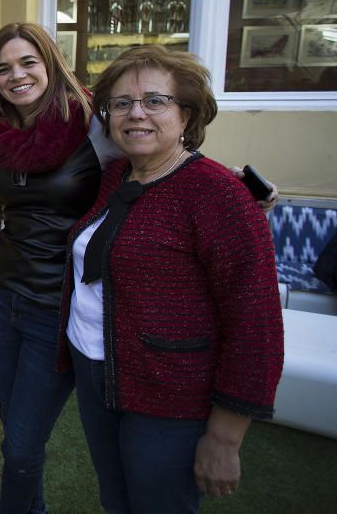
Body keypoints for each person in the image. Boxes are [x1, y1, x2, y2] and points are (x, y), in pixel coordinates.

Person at [60, 45, 284, 513]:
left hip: (168, 394)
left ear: (187, 114)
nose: (135, 113)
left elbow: (255, 326)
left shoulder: (220, 197)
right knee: (116, 500)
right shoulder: (117, 175)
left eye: (155, 101)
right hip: (97, 374)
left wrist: (225, 437)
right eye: (121, 103)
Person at [0, 22, 124, 514]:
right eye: (3, 69)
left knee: (19, 444)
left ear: (50, 63)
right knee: (17, 433)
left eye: (27, 62)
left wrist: (231, 186)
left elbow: (161, 164)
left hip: (56, 307)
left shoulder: (93, 123)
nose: (17, 76)